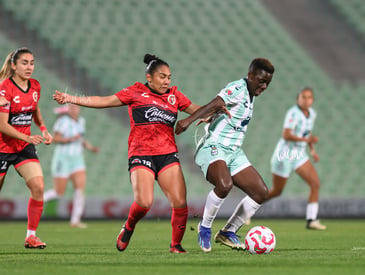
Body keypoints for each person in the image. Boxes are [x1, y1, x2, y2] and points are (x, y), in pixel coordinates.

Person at [53, 53, 200, 253]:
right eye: (162, 77)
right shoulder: (135, 92)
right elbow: (104, 101)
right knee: (144, 202)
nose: (167, 81)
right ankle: (129, 226)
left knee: (180, 203)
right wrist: (71, 98)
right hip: (141, 153)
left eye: (169, 77)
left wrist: (218, 110)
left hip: (167, 153)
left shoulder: (175, 96)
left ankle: (175, 245)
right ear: (149, 77)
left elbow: (196, 111)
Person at [175, 58, 275, 252]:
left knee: (260, 193)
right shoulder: (238, 88)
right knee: (224, 184)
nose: (264, 86)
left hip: (234, 152)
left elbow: (223, 110)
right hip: (214, 146)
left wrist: (214, 116)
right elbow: (215, 103)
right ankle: (204, 229)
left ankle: (228, 232)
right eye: (261, 81)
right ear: (250, 76)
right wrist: (187, 121)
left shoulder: (251, 95)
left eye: (267, 83)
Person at [0, 47, 53, 248]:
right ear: (14, 65)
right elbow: (2, 125)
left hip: (22, 147)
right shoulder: (5, 89)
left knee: (38, 187)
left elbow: (35, 108)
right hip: (2, 147)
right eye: (24, 63)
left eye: (31, 63)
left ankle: (31, 236)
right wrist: (28, 137)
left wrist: (44, 128)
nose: (29, 67)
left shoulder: (35, 86)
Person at [267, 87, 326, 230]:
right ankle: (248, 207)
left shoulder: (312, 114)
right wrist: (306, 141)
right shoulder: (293, 113)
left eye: (309, 97)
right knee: (276, 191)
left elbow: (308, 134)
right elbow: (286, 135)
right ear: (297, 99)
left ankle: (312, 220)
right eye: (303, 97)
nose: (306, 100)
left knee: (315, 184)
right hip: (285, 154)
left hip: (299, 154)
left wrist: (312, 151)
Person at [43, 104, 99, 228]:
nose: (75, 109)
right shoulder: (62, 121)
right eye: (72, 107)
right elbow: (55, 139)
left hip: (77, 158)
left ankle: (75, 220)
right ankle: (37, 200)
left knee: (80, 189)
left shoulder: (81, 121)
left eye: (77, 107)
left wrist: (90, 148)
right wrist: (70, 139)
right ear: (68, 109)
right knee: (59, 192)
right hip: (63, 158)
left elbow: (81, 139)